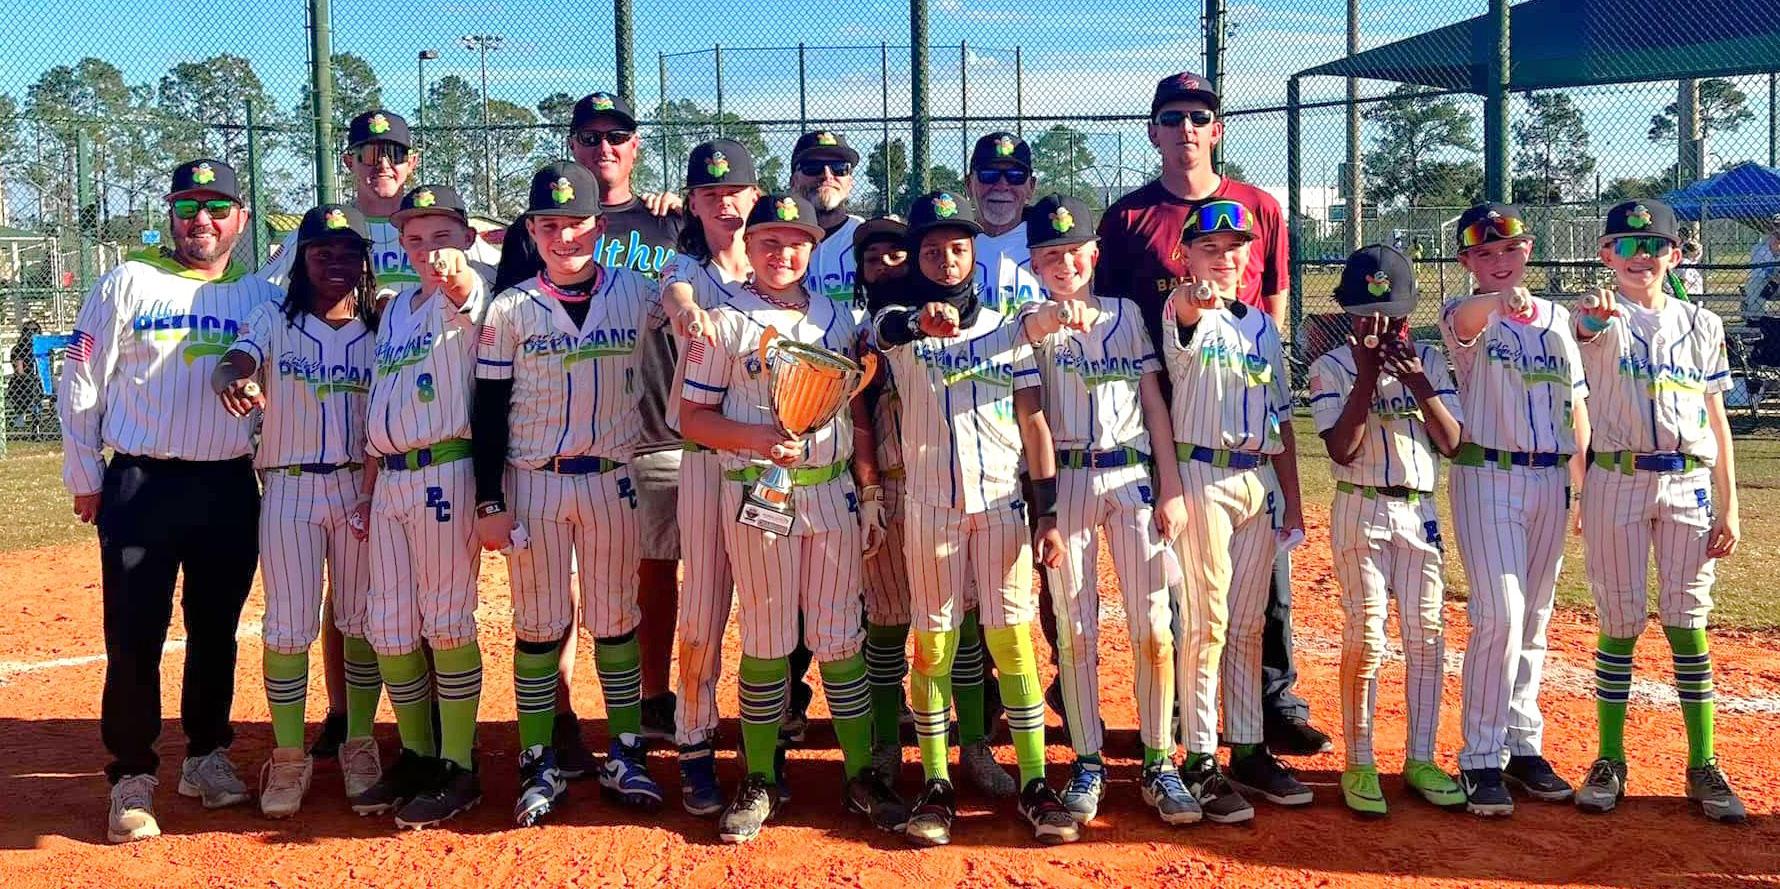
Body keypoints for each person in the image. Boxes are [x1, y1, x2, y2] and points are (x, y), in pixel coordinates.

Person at [1096, 72, 1326, 756]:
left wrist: (1254, 364)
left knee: (1263, 585)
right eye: (1173, 117)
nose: (1186, 128)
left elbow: (1272, 303)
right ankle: (1177, 715)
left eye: (1199, 116)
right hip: (1164, 409)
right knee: (1180, 583)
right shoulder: (1129, 218)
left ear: (1217, 129)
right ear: (1153, 131)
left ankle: (1272, 704)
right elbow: (1120, 317)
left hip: (1244, 408)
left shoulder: (1260, 206)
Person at [60, 159, 278, 843]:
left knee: (216, 630)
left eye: (217, 208)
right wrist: (85, 473)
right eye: (187, 207)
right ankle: (131, 774)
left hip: (227, 484)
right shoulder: (127, 281)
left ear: (242, 219)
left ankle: (206, 755)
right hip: (142, 483)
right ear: (171, 214)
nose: (201, 221)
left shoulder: (258, 295)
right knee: (135, 634)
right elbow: (81, 377)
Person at [679, 192, 905, 843]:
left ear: (814, 248)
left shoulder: (838, 318)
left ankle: (861, 775)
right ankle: (759, 776)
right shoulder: (723, 321)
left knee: (840, 637)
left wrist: (869, 491)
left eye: (796, 242)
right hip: (759, 493)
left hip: (831, 494)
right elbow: (692, 419)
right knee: (769, 638)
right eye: (769, 242)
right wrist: (756, 440)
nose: (783, 253)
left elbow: (855, 410)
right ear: (748, 246)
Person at [871, 192, 1077, 847]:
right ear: (918, 258)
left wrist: (1048, 513)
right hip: (929, 510)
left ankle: (1036, 781)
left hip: (1002, 507)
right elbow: (881, 332)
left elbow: (1033, 422)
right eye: (932, 249)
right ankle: (936, 782)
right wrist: (916, 319)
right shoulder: (898, 325)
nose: (947, 259)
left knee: (1011, 642)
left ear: (972, 254)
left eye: (957, 248)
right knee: (933, 644)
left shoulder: (1006, 327)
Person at [472, 162, 662, 826]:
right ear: (532, 231)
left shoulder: (636, 291)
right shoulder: (510, 307)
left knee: (615, 618)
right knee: (538, 623)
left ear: (598, 226)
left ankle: (627, 751)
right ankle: (537, 758)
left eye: (575, 222)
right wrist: (488, 499)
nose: (563, 236)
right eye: (548, 225)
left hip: (611, 477)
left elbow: (693, 302)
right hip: (535, 481)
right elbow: (488, 409)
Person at [1016, 195, 1196, 827]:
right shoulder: (1027, 321)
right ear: (1034, 265)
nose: (1065, 263)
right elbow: (1028, 372)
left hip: (1131, 477)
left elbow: (1153, 402)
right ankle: (1087, 759)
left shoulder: (1125, 314)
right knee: (1075, 627)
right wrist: (1044, 322)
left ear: (1094, 254)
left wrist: (1170, 486)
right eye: (1051, 255)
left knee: (1154, 627)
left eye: (1074, 251)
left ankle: (1158, 761)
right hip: (1065, 482)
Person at [1570, 199, 1746, 823]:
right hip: (1616, 479)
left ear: (1674, 253)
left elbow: (1718, 419)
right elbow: (1584, 337)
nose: (1639, 255)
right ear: (1606, 254)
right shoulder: (1598, 317)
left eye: (1652, 246)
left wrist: (1731, 505)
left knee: (1687, 618)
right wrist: (1590, 323)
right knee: (1619, 619)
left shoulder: (1703, 324)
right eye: (1624, 244)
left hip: (1689, 481)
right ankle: (1610, 759)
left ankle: (1703, 764)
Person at [212, 203, 381, 821]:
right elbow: (236, 359)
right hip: (290, 487)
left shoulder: (381, 324)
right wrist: (234, 380)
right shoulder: (273, 319)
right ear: (301, 258)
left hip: (362, 488)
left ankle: (360, 744)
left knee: (361, 620)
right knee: (287, 625)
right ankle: (287, 755)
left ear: (363, 261)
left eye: (348, 251)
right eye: (321, 251)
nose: (335, 262)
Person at [349, 184, 493, 829]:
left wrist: (456, 273)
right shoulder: (397, 310)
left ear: (466, 238)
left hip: (445, 469)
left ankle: (459, 766)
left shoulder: (470, 291)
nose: (429, 250)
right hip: (390, 480)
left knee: (448, 621)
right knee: (390, 625)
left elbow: (464, 291)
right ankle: (417, 753)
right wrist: (367, 488)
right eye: (415, 239)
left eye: (441, 236)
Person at [1308, 244, 1468, 817]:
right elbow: (1342, 449)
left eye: (1393, 316)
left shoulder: (1429, 359)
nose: (1380, 326)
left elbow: (1453, 442)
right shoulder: (1331, 366)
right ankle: (1360, 761)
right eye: (1366, 316)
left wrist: (1419, 381)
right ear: (1348, 313)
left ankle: (1420, 759)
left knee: (1427, 636)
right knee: (1368, 634)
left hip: (1419, 511)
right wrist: (1367, 373)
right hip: (1362, 506)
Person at [1441, 201, 1588, 817]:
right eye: (1484, 253)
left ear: (1527, 249)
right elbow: (1470, 321)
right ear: (1468, 261)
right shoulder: (1464, 312)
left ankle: (1523, 744)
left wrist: (1583, 487)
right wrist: (1503, 300)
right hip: (1488, 474)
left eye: (1509, 249)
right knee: (1499, 613)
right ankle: (1480, 754)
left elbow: (1576, 405)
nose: (1499, 261)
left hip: (1551, 476)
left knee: (1534, 617)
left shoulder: (1559, 319)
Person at [1164, 199, 1307, 824]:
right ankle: (1198, 757)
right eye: (1210, 248)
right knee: (1206, 622)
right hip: (1201, 475)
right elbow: (1186, 313)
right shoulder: (1182, 310)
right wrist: (1194, 297)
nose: (1224, 258)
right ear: (1186, 256)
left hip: (1257, 479)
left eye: (1235, 248)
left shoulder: (1263, 326)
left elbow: (1283, 419)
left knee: (1249, 623)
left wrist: (1293, 499)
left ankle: (1247, 747)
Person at [561, 89, 688, 761]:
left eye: (616, 137)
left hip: (658, 422)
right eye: (590, 137)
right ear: (573, 147)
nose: (603, 148)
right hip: (574, 430)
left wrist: (684, 205)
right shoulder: (557, 224)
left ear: (635, 147)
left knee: (655, 569)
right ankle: (559, 711)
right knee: (565, 578)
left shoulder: (669, 223)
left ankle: (654, 693)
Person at [654, 138, 760, 817]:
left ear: (755, 196)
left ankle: (764, 750)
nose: (724, 203)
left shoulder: (782, 266)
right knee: (702, 609)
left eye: (734, 191)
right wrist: (686, 310)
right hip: (703, 458)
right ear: (692, 202)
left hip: (771, 461)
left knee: (772, 610)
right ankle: (694, 745)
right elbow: (676, 293)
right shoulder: (682, 266)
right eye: (710, 193)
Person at [261, 109, 499, 295]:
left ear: (412, 162)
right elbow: (261, 289)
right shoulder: (321, 228)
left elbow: (504, 277)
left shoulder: (442, 226)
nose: (383, 165)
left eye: (395, 155)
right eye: (370, 155)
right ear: (349, 162)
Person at [852, 216, 916, 780]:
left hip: (948, 485)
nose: (887, 266)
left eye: (897, 255)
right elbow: (861, 421)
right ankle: (885, 737)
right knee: (888, 613)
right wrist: (869, 490)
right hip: (890, 483)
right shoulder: (859, 335)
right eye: (874, 260)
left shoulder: (946, 322)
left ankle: (972, 743)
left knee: (962, 617)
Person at [965, 131, 1046, 314]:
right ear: (969, 184)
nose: (1002, 186)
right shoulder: (950, 249)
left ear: (1031, 186)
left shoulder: (1054, 246)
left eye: (1016, 175)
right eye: (989, 174)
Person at [792, 130, 866, 306]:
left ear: (850, 182)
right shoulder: (777, 243)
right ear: (793, 181)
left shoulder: (869, 236)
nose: (826, 175)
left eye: (839, 168)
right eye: (812, 167)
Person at [7, 320, 44, 436]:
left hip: (41, 379)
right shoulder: (18, 349)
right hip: (24, 380)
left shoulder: (43, 347)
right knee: (26, 384)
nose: (32, 334)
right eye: (29, 331)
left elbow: (48, 369)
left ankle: (54, 417)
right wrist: (32, 377)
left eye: (35, 330)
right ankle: (21, 416)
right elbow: (19, 371)